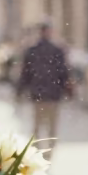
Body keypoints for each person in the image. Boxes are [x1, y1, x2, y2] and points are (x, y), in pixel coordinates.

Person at [17, 23, 70, 158]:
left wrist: (20, 90)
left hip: (38, 93)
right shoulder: (57, 50)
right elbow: (64, 72)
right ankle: (48, 153)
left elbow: (25, 73)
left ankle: (38, 151)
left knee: (38, 124)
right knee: (50, 126)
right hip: (52, 93)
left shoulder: (32, 50)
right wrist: (67, 89)